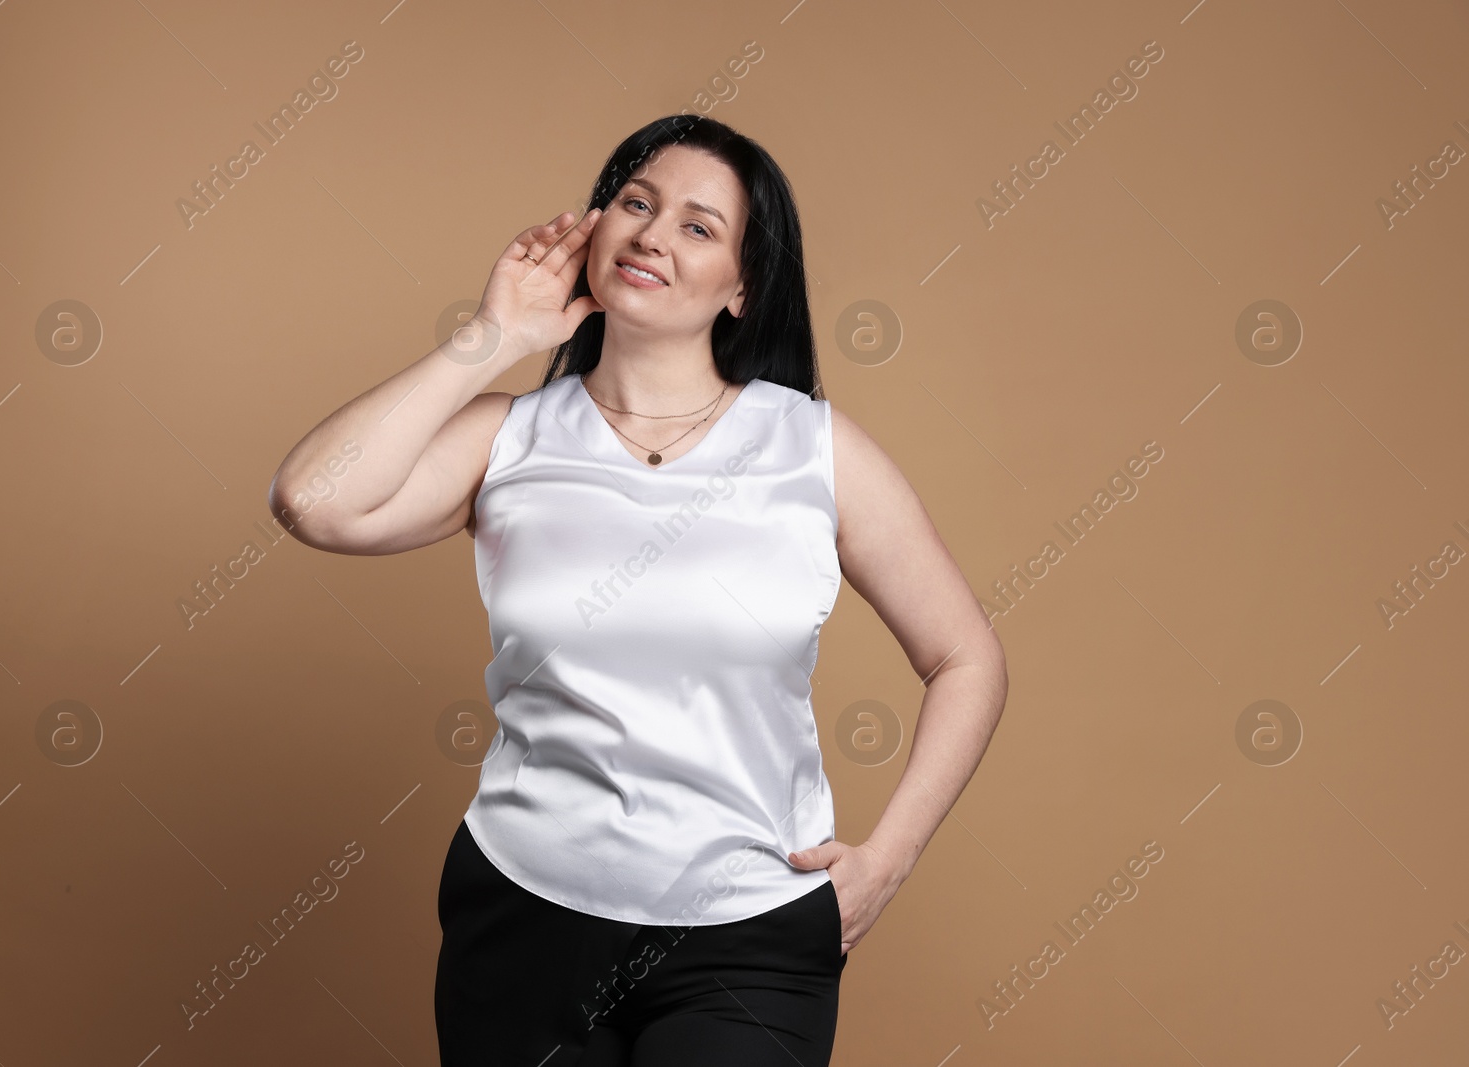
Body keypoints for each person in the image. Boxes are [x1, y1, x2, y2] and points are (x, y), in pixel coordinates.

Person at [267, 114, 1008, 1066]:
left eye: (699, 226)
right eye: (636, 203)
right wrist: (493, 337)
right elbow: (309, 501)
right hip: (523, 914)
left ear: (744, 286)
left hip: (749, 931)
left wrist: (887, 859)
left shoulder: (810, 448)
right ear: (596, 229)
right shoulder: (511, 438)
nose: (654, 234)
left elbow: (965, 657)